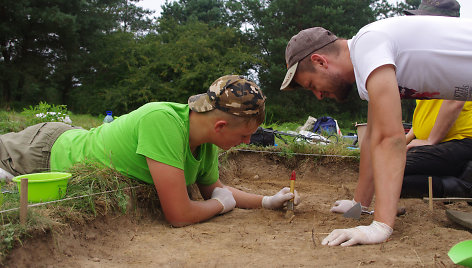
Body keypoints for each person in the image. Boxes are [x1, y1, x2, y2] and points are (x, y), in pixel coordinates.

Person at [0, 75, 300, 227]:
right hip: (44, 151)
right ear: (220, 125)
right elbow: (179, 214)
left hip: (73, 140)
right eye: (244, 135)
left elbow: (217, 189)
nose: (247, 143)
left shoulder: (206, 141)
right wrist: (220, 207)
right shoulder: (164, 122)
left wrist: (267, 201)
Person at [280, 15, 472, 246]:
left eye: (312, 85)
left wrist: (380, 226)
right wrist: (358, 205)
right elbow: (372, 138)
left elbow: (390, 138)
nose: (318, 95)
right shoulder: (369, 63)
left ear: (320, 61)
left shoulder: (368, 44)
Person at [400, 0, 472, 199]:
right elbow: (426, 111)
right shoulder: (433, 57)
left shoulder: (458, 52)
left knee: (391, 169)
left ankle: (464, 185)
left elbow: (455, 100)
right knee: (389, 177)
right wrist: (406, 140)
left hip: (462, 142)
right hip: (441, 144)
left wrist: (431, 140)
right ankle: (458, 178)